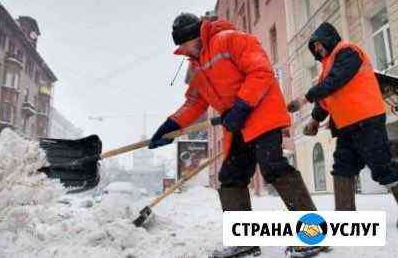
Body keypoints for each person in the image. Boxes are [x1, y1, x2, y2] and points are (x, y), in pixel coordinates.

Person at [148, 13, 327, 258]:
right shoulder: (196, 63)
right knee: (231, 177)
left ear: (193, 35)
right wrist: (170, 126)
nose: (184, 50)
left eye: (185, 44)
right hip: (238, 126)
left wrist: (241, 107)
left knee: (273, 166)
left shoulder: (231, 39)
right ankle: (244, 242)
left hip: (262, 114)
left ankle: (313, 235)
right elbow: (195, 101)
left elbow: (261, 72)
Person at [288, 22, 398, 214]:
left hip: (367, 119)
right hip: (346, 126)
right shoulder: (325, 70)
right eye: (314, 47)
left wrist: (305, 98)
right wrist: (314, 119)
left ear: (328, 39)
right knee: (342, 168)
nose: (317, 48)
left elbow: (336, 81)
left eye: (318, 44)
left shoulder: (348, 52)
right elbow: (325, 99)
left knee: (382, 167)